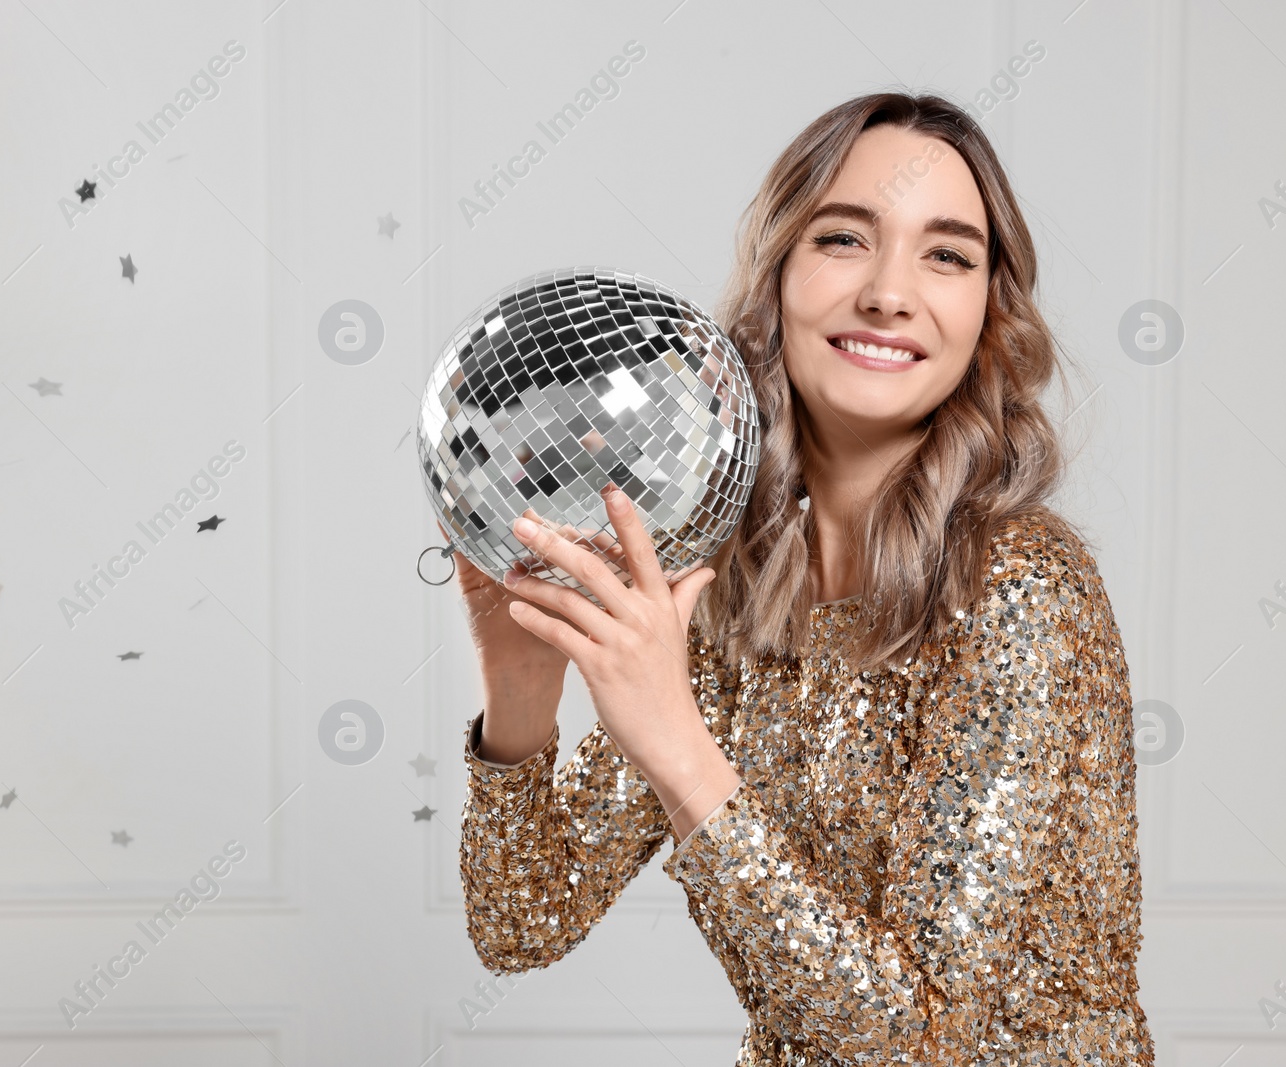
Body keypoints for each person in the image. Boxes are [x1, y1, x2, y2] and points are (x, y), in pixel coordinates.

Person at [451, 91, 1155, 1065]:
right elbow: (523, 922)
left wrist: (673, 738)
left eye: (945, 254)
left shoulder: (1023, 586)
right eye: (843, 239)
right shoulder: (719, 576)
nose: (888, 291)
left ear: (986, 312)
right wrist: (521, 695)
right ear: (778, 273)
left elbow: (915, 1036)